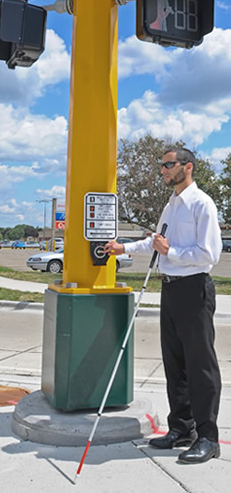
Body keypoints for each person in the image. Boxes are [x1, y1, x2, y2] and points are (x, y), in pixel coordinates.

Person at [104, 147, 222, 464]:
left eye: (169, 165)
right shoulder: (171, 205)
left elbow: (209, 254)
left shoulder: (201, 204)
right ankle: (182, 429)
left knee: (200, 365)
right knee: (175, 363)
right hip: (169, 290)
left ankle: (208, 437)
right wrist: (121, 248)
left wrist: (172, 252)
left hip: (194, 289)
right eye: (161, 165)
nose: (163, 170)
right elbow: (156, 241)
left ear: (188, 167)